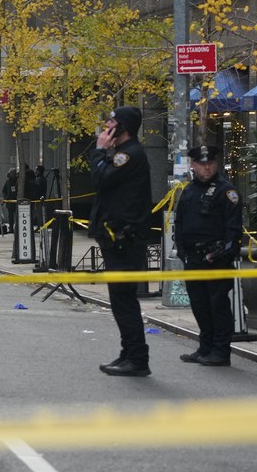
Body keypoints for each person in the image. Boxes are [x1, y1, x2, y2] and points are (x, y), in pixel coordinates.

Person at [89, 106, 155, 378]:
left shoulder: (129, 155)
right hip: (117, 238)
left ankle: (137, 357)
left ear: (123, 127)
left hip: (125, 241)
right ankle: (129, 353)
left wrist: (99, 150)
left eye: (111, 122)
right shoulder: (122, 154)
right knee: (120, 301)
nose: (106, 127)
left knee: (124, 300)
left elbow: (100, 178)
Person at [173, 145, 242, 368]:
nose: (207, 167)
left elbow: (233, 229)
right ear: (193, 165)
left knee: (217, 305)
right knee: (200, 305)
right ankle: (205, 347)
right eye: (202, 164)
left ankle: (221, 351)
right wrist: (182, 251)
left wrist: (221, 252)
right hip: (193, 258)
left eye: (210, 163)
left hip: (216, 259)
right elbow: (180, 222)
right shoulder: (189, 191)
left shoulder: (227, 191)